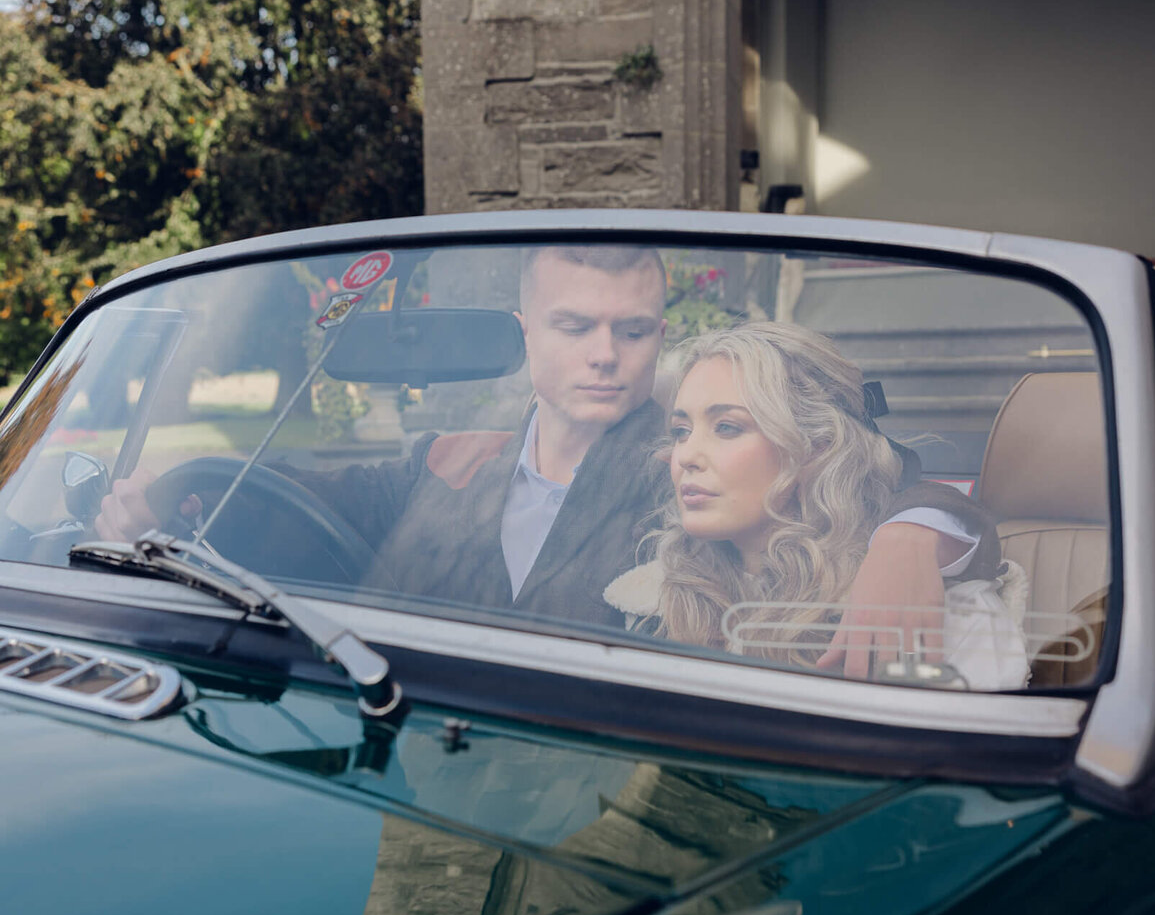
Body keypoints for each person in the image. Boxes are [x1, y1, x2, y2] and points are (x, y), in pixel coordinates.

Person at [96, 244, 997, 658]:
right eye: (574, 326)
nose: (605, 354)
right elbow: (303, 497)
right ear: (529, 334)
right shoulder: (448, 461)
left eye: (632, 329)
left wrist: (908, 536)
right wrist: (169, 495)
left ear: (656, 335)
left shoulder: (693, 471)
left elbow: (895, 479)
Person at [603, 320, 1028, 688]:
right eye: (681, 430)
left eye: (727, 427)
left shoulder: (934, 612)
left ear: (816, 450)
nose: (685, 455)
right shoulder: (648, 599)